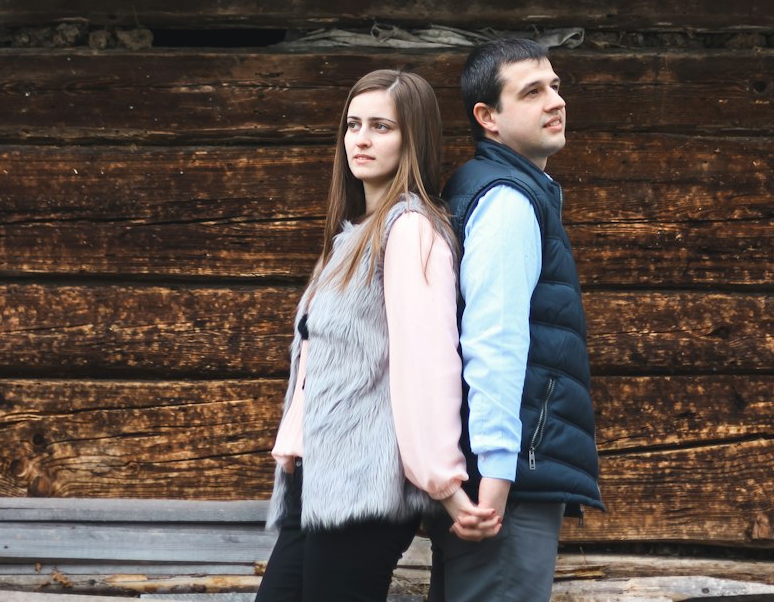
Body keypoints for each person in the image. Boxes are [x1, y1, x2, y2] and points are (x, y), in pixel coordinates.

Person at [257, 68, 499, 602]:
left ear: (413, 139)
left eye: (382, 127)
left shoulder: (409, 229)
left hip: (362, 486)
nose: (361, 139)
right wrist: (292, 447)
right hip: (315, 481)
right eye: (353, 124)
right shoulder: (352, 235)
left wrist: (446, 486)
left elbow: (427, 367)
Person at [428, 37, 604, 602]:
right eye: (532, 92)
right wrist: (499, 474)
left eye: (555, 85)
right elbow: (493, 342)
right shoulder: (507, 202)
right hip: (507, 481)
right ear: (489, 119)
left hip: (497, 472)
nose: (556, 100)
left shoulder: (496, 189)